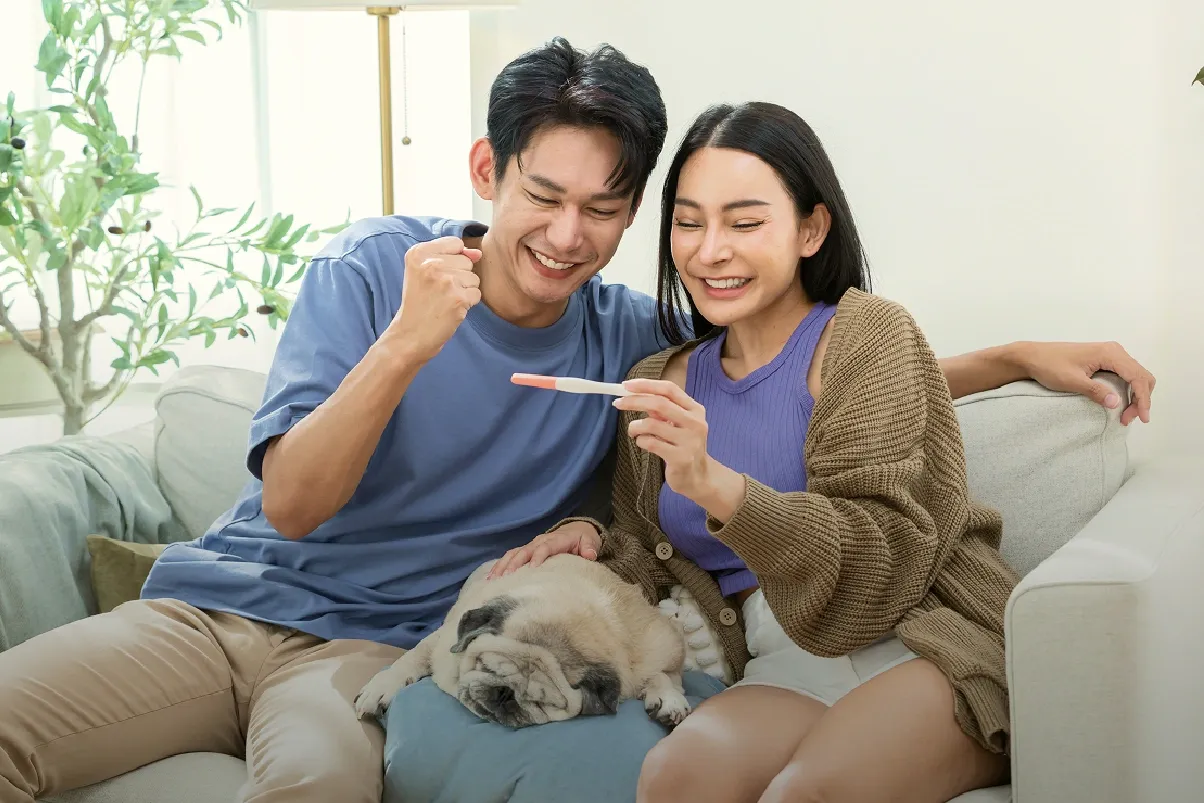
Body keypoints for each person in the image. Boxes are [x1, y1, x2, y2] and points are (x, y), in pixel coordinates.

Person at [0, 38, 1153, 803]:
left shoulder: (626, 340)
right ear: (486, 170)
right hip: (216, 610)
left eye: (603, 208)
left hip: (370, 649)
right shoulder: (374, 271)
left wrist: (1011, 358)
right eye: (542, 196)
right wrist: (408, 341)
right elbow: (295, 503)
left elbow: (804, 377)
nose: (566, 235)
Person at [488, 100, 1144, 803]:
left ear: (811, 228)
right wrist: (586, 537)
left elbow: (880, 559)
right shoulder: (658, 380)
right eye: (689, 221)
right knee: (676, 778)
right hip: (783, 660)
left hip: (920, 637)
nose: (710, 251)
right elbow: (650, 556)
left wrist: (716, 486)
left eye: (745, 223)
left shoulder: (868, 337)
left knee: (809, 792)